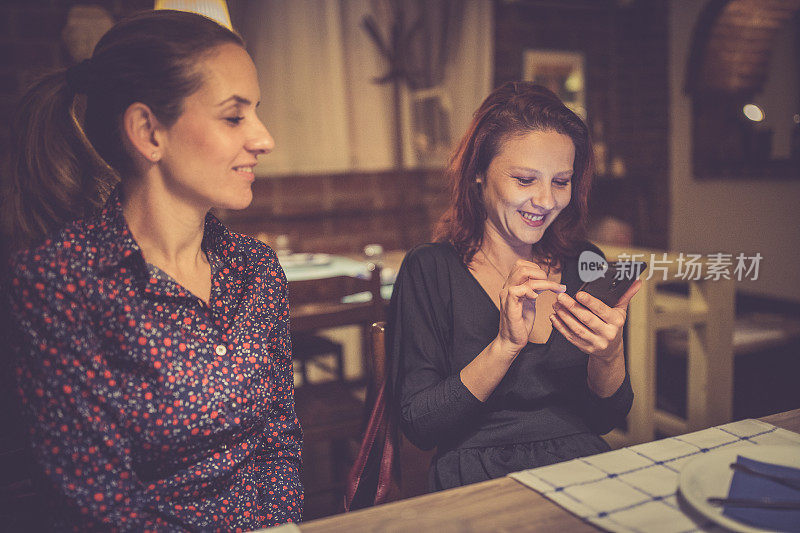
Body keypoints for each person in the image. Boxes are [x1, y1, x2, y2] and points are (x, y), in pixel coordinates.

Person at [3, 10, 302, 530]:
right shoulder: (61, 281)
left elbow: (279, 441)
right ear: (148, 131)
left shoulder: (257, 271)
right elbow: (96, 503)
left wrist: (277, 526)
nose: (264, 138)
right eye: (235, 117)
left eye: (257, 113)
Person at [388, 82, 638, 491]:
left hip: (581, 468)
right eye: (524, 180)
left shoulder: (584, 262)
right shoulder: (430, 269)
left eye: (561, 181)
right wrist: (504, 345)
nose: (545, 200)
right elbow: (420, 425)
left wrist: (609, 355)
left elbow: (604, 419)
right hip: (477, 474)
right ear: (478, 174)